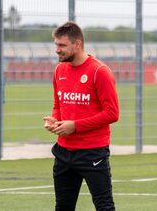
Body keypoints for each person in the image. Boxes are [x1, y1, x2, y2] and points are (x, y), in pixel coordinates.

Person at [43, 21, 119, 211]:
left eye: (62, 45)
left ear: (77, 44)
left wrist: (74, 125)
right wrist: (55, 120)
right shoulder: (59, 70)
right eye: (56, 45)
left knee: (104, 206)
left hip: (93, 152)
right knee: (63, 207)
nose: (57, 50)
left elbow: (112, 113)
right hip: (63, 152)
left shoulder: (99, 72)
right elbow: (58, 104)